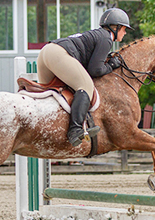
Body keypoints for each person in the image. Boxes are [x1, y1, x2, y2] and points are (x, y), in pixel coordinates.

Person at [37, 8, 132, 146]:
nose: (125, 33)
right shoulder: (106, 38)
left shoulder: (97, 35)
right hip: (58, 54)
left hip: (45, 52)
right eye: (124, 29)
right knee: (86, 86)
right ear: (116, 28)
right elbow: (95, 70)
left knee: (51, 97)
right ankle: (75, 130)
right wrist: (111, 65)